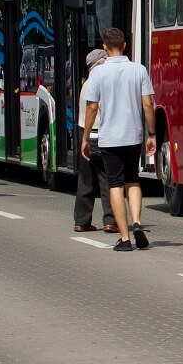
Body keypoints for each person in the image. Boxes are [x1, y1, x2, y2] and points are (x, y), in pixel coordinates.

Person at [80, 27, 157, 252]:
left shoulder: (98, 74)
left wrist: (86, 138)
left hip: (109, 139)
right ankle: (137, 223)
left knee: (115, 184)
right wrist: (151, 134)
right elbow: (147, 104)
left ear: (104, 47)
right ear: (125, 45)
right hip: (133, 136)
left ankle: (124, 239)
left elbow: (92, 107)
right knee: (133, 180)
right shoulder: (138, 70)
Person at [73, 48, 118, 233]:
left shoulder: (86, 84)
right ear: (99, 63)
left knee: (86, 180)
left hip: (85, 133)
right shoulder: (102, 83)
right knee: (107, 178)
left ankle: (81, 221)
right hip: (101, 133)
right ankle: (111, 220)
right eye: (106, 60)